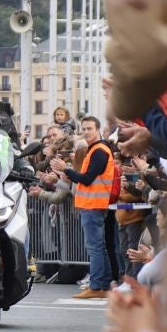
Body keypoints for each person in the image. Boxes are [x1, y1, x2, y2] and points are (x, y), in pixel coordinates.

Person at [52, 115, 116, 299]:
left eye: (90, 129)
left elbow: (86, 179)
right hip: (93, 204)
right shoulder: (95, 149)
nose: (86, 132)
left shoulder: (99, 151)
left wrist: (66, 169)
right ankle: (102, 285)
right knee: (99, 247)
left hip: (93, 205)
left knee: (95, 247)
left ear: (97, 129)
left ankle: (97, 286)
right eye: (84, 129)